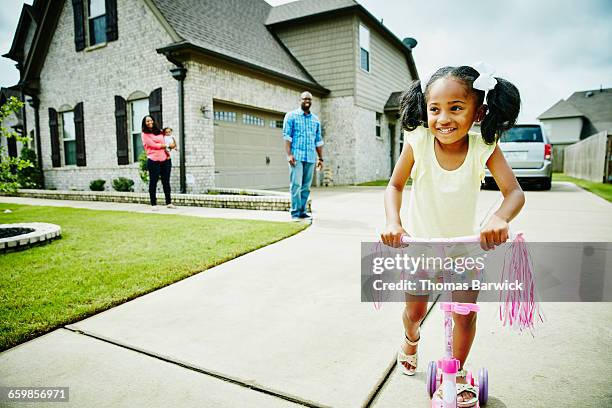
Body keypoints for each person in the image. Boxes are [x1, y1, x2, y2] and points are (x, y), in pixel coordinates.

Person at [380, 64, 525, 407]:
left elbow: (514, 192)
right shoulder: (419, 141)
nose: (444, 118)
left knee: (464, 313)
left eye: (456, 108)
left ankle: (456, 374)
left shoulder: (483, 145)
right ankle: (410, 338)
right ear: (425, 109)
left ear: (479, 111)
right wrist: (393, 222)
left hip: (464, 248)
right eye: (435, 109)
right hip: (421, 246)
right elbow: (395, 185)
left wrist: (499, 218)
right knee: (414, 312)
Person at [283, 91, 324, 221]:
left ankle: (302, 211)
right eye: (305, 99)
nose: (307, 101)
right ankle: (295, 213)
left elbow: (318, 141)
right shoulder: (291, 116)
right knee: (296, 185)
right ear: (300, 100)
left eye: (309, 99)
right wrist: (289, 154)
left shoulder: (315, 120)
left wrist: (320, 158)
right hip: (297, 157)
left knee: (306, 187)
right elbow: (287, 137)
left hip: (311, 157)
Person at [141, 116, 176, 210]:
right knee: (153, 182)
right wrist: (166, 145)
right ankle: (153, 204)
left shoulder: (159, 131)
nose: (149, 122)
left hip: (165, 160)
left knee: (166, 182)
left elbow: (168, 138)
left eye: (151, 120)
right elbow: (153, 145)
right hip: (153, 161)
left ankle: (169, 203)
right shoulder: (144, 134)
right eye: (147, 121)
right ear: (145, 123)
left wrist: (172, 145)